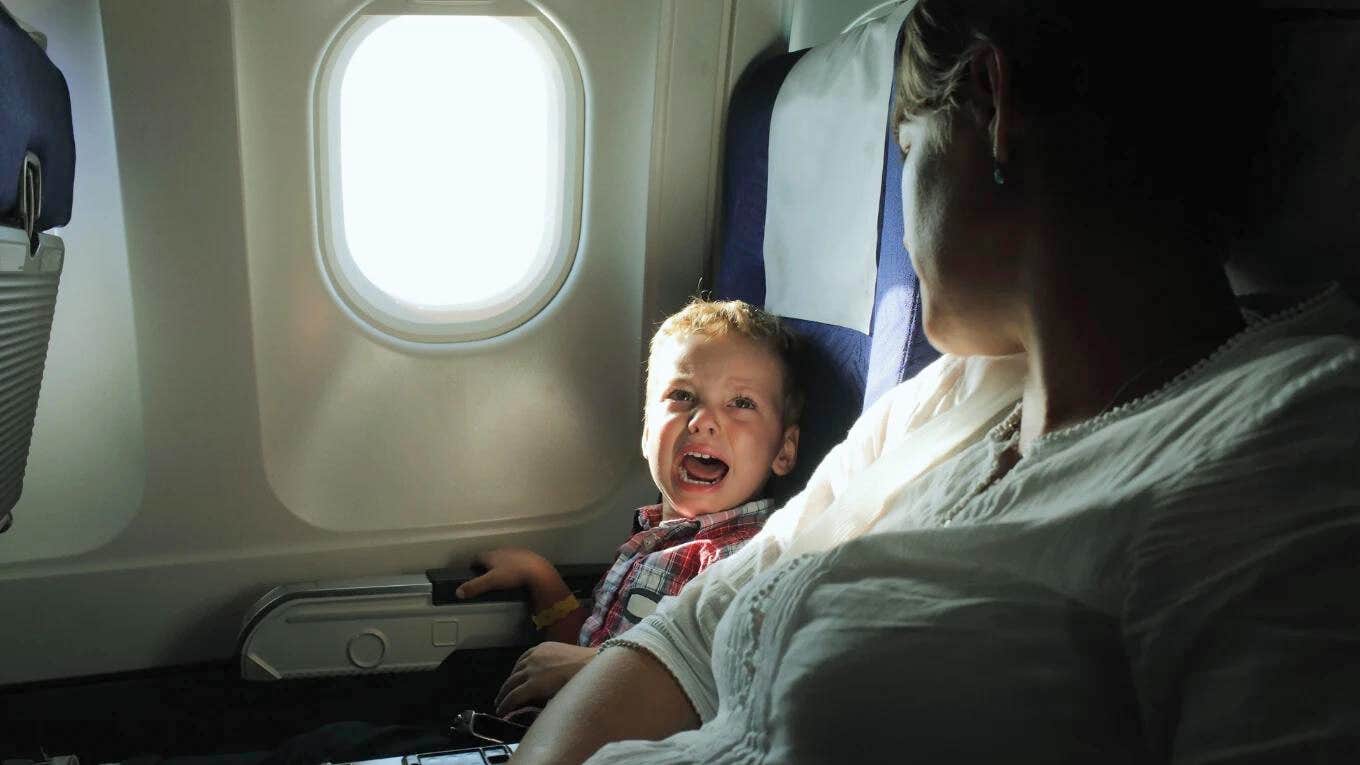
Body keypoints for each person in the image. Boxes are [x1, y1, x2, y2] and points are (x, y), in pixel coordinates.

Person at [511, 2, 1360, 762]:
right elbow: (691, 635)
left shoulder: (1296, 439)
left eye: (908, 150)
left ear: (992, 106)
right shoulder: (946, 397)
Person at [452, 298, 803, 716]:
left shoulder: (747, 560)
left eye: (741, 403)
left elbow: (725, 683)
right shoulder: (654, 540)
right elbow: (585, 648)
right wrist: (543, 581)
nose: (703, 420)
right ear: (646, 432)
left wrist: (596, 668)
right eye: (682, 395)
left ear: (784, 450)